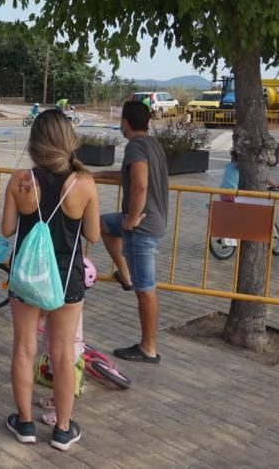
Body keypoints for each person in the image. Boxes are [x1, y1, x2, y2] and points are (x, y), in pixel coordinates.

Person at [1, 109, 100, 451]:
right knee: (62, 356)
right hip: (67, 280)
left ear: (35, 142)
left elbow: (7, 229)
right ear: (68, 139)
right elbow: (94, 234)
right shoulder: (83, 183)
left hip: (26, 278)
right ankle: (62, 429)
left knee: (24, 349)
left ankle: (25, 423)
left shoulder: (20, 180)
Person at [95, 101, 168, 364]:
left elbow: (139, 184)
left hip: (142, 227)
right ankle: (124, 276)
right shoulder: (152, 145)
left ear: (125, 121)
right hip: (149, 221)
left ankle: (148, 347)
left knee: (146, 289)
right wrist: (100, 174)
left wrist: (132, 219)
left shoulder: (136, 146)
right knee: (102, 224)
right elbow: (130, 176)